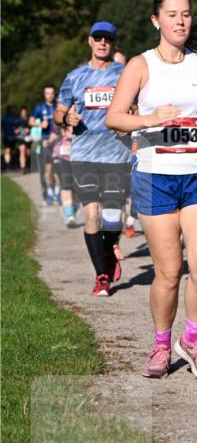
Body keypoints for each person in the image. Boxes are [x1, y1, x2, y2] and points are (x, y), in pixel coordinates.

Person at [106, 0, 197, 381]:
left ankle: (193, 340)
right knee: (170, 271)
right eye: (172, 14)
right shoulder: (141, 66)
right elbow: (114, 118)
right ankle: (161, 344)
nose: (180, 21)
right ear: (156, 21)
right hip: (156, 176)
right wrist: (149, 119)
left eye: (186, 14)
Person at [54, 22, 132, 296]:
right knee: (92, 213)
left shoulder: (125, 74)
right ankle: (101, 276)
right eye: (98, 38)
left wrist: (131, 121)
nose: (102, 43)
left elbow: (137, 106)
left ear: (112, 43)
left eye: (107, 39)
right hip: (84, 155)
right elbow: (59, 111)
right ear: (90, 41)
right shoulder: (75, 76)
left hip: (116, 155)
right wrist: (67, 117)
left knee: (113, 218)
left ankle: (110, 249)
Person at [30, 85, 58, 203]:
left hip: (59, 139)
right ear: (44, 94)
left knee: (60, 168)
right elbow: (30, 121)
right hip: (46, 140)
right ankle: (49, 192)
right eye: (47, 93)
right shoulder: (39, 107)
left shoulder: (59, 105)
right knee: (48, 168)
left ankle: (58, 191)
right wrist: (40, 125)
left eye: (52, 93)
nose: (50, 95)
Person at [52, 125, 78, 227]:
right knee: (66, 186)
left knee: (77, 190)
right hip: (65, 159)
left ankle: (73, 211)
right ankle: (69, 215)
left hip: (81, 159)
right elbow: (55, 130)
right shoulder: (63, 115)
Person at [2, 105, 19, 171]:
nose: (13, 110)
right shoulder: (4, 118)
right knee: (8, 150)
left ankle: (12, 164)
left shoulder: (16, 117)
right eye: (12, 108)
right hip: (7, 137)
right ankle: (8, 165)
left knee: (13, 151)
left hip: (15, 137)